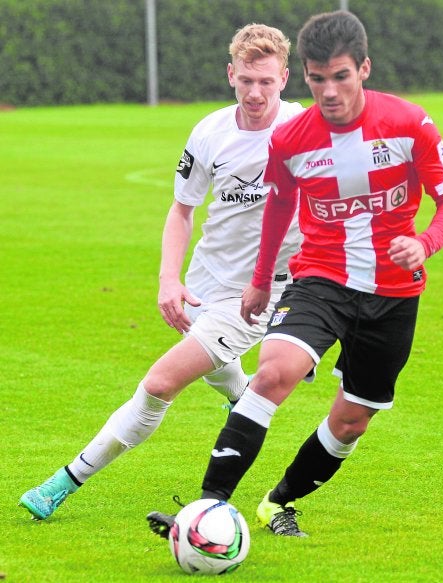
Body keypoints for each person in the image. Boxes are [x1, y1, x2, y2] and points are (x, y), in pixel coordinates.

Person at [150, 10, 443, 538]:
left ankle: (278, 503)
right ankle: (208, 509)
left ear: (363, 69)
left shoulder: (410, 123)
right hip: (320, 279)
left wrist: (425, 241)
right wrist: (258, 281)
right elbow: (278, 207)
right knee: (275, 372)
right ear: (306, 75)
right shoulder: (293, 138)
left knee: (352, 421)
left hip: (392, 294)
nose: (329, 91)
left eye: (340, 76)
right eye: (318, 78)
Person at [19, 23, 303, 521]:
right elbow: (181, 210)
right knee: (212, 358)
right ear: (230, 75)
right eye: (245, 82)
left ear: (284, 77)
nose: (255, 93)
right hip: (205, 278)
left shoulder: (305, 130)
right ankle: (242, 397)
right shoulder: (210, 131)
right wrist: (169, 279)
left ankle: (66, 480)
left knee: (158, 384)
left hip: (258, 292)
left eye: (267, 82)